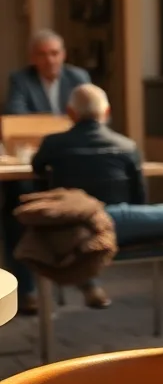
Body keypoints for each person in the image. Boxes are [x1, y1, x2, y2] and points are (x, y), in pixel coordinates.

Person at [30, 84, 146, 308]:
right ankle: (89, 284)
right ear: (107, 112)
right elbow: (140, 199)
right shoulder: (128, 146)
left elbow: (37, 168)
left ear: (70, 113)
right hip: (119, 229)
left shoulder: (53, 144)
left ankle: (27, 293)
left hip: (69, 229)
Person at [3, 30, 94, 314]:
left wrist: (44, 128)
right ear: (33, 58)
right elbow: (17, 119)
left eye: (54, 53)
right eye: (42, 54)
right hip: (32, 167)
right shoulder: (21, 80)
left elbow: (95, 115)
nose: (49, 59)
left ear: (63, 54)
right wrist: (64, 127)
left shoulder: (78, 78)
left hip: (70, 165)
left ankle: (87, 279)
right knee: (17, 206)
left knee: (85, 205)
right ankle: (26, 289)